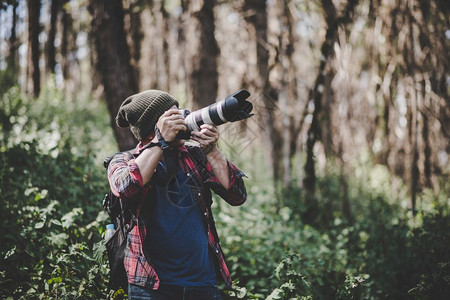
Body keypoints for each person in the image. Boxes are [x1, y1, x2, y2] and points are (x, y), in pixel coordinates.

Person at [107, 90, 247, 300]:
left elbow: (237, 195)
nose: (182, 121)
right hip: (149, 286)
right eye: (171, 117)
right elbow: (126, 187)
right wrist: (159, 142)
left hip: (202, 283)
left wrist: (211, 151)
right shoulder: (123, 161)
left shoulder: (195, 156)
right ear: (150, 129)